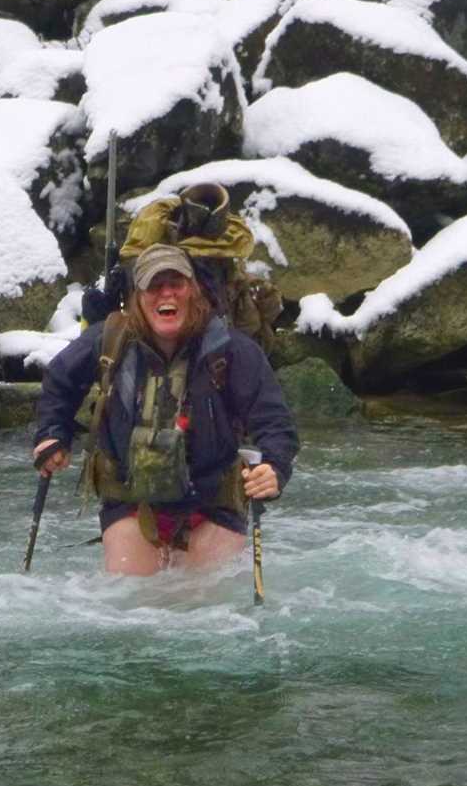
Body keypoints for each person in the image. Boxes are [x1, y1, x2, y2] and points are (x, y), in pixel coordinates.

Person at [32, 243, 299, 575]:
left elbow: (274, 420)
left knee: (202, 605)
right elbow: (59, 382)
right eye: (154, 286)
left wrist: (274, 467)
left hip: (213, 501)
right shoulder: (108, 341)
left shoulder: (231, 351)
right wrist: (52, 435)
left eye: (176, 284)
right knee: (134, 602)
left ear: (193, 290)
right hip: (130, 499)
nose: (166, 294)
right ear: (138, 297)